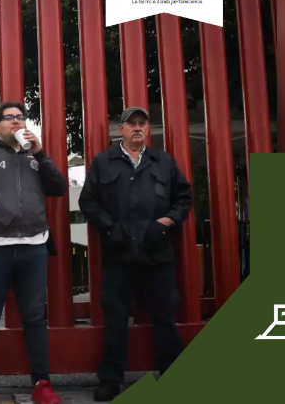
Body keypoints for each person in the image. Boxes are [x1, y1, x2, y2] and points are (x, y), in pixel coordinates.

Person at [78, 107, 192, 401]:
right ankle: (110, 380)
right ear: (122, 129)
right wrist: (110, 229)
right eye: (132, 124)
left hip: (158, 252)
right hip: (119, 253)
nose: (138, 128)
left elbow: (184, 198)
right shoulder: (104, 162)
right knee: (115, 318)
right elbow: (88, 201)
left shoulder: (163, 161)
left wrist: (166, 222)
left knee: (165, 316)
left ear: (148, 129)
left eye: (143, 124)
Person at [0, 103, 66, 404]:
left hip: (33, 245)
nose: (16, 122)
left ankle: (42, 383)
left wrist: (40, 153)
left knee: (34, 317)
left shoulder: (34, 155)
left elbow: (57, 187)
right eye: (9, 118)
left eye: (21, 117)